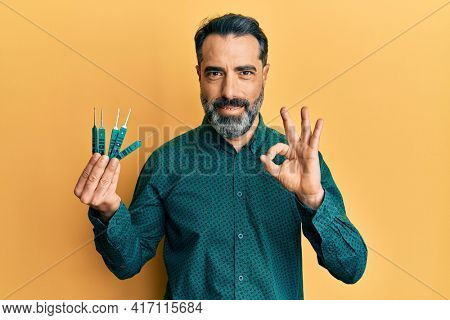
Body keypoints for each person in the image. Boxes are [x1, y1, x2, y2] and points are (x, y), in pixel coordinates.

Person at [74, 13, 367, 300]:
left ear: (264, 75)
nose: (229, 91)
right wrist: (108, 210)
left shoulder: (301, 163)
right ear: (199, 75)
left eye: (245, 72)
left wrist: (313, 200)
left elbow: (351, 267)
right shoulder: (166, 162)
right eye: (215, 73)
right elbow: (126, 262)